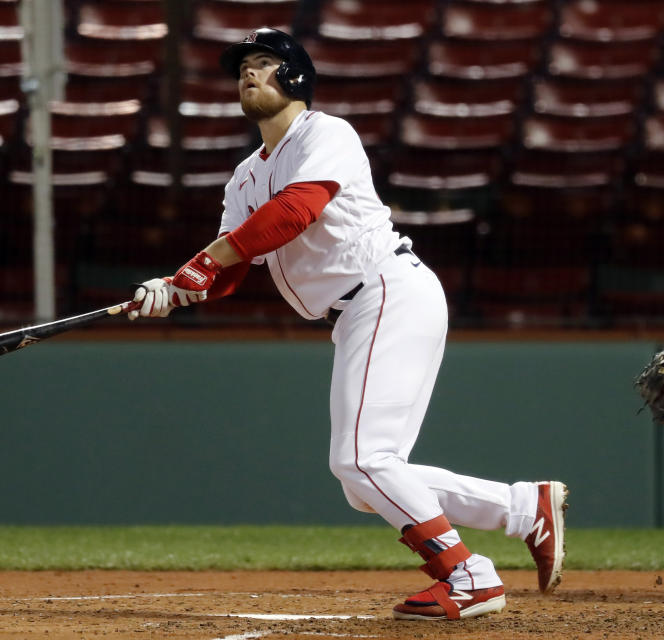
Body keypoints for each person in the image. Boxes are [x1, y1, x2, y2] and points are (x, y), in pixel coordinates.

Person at [127, 27, 568, 620]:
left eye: (263, 64)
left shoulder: (324, 133)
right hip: (360, 309)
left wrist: (203, 264)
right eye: (243, 68)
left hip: (386, 289)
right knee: (365, 480)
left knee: (361, 461)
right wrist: (173, 291)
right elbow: (234, 266)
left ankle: (468, 575)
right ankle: (522, 509)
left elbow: (296, 210)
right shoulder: (243, 178)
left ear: (295, 77)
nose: (249, 75)